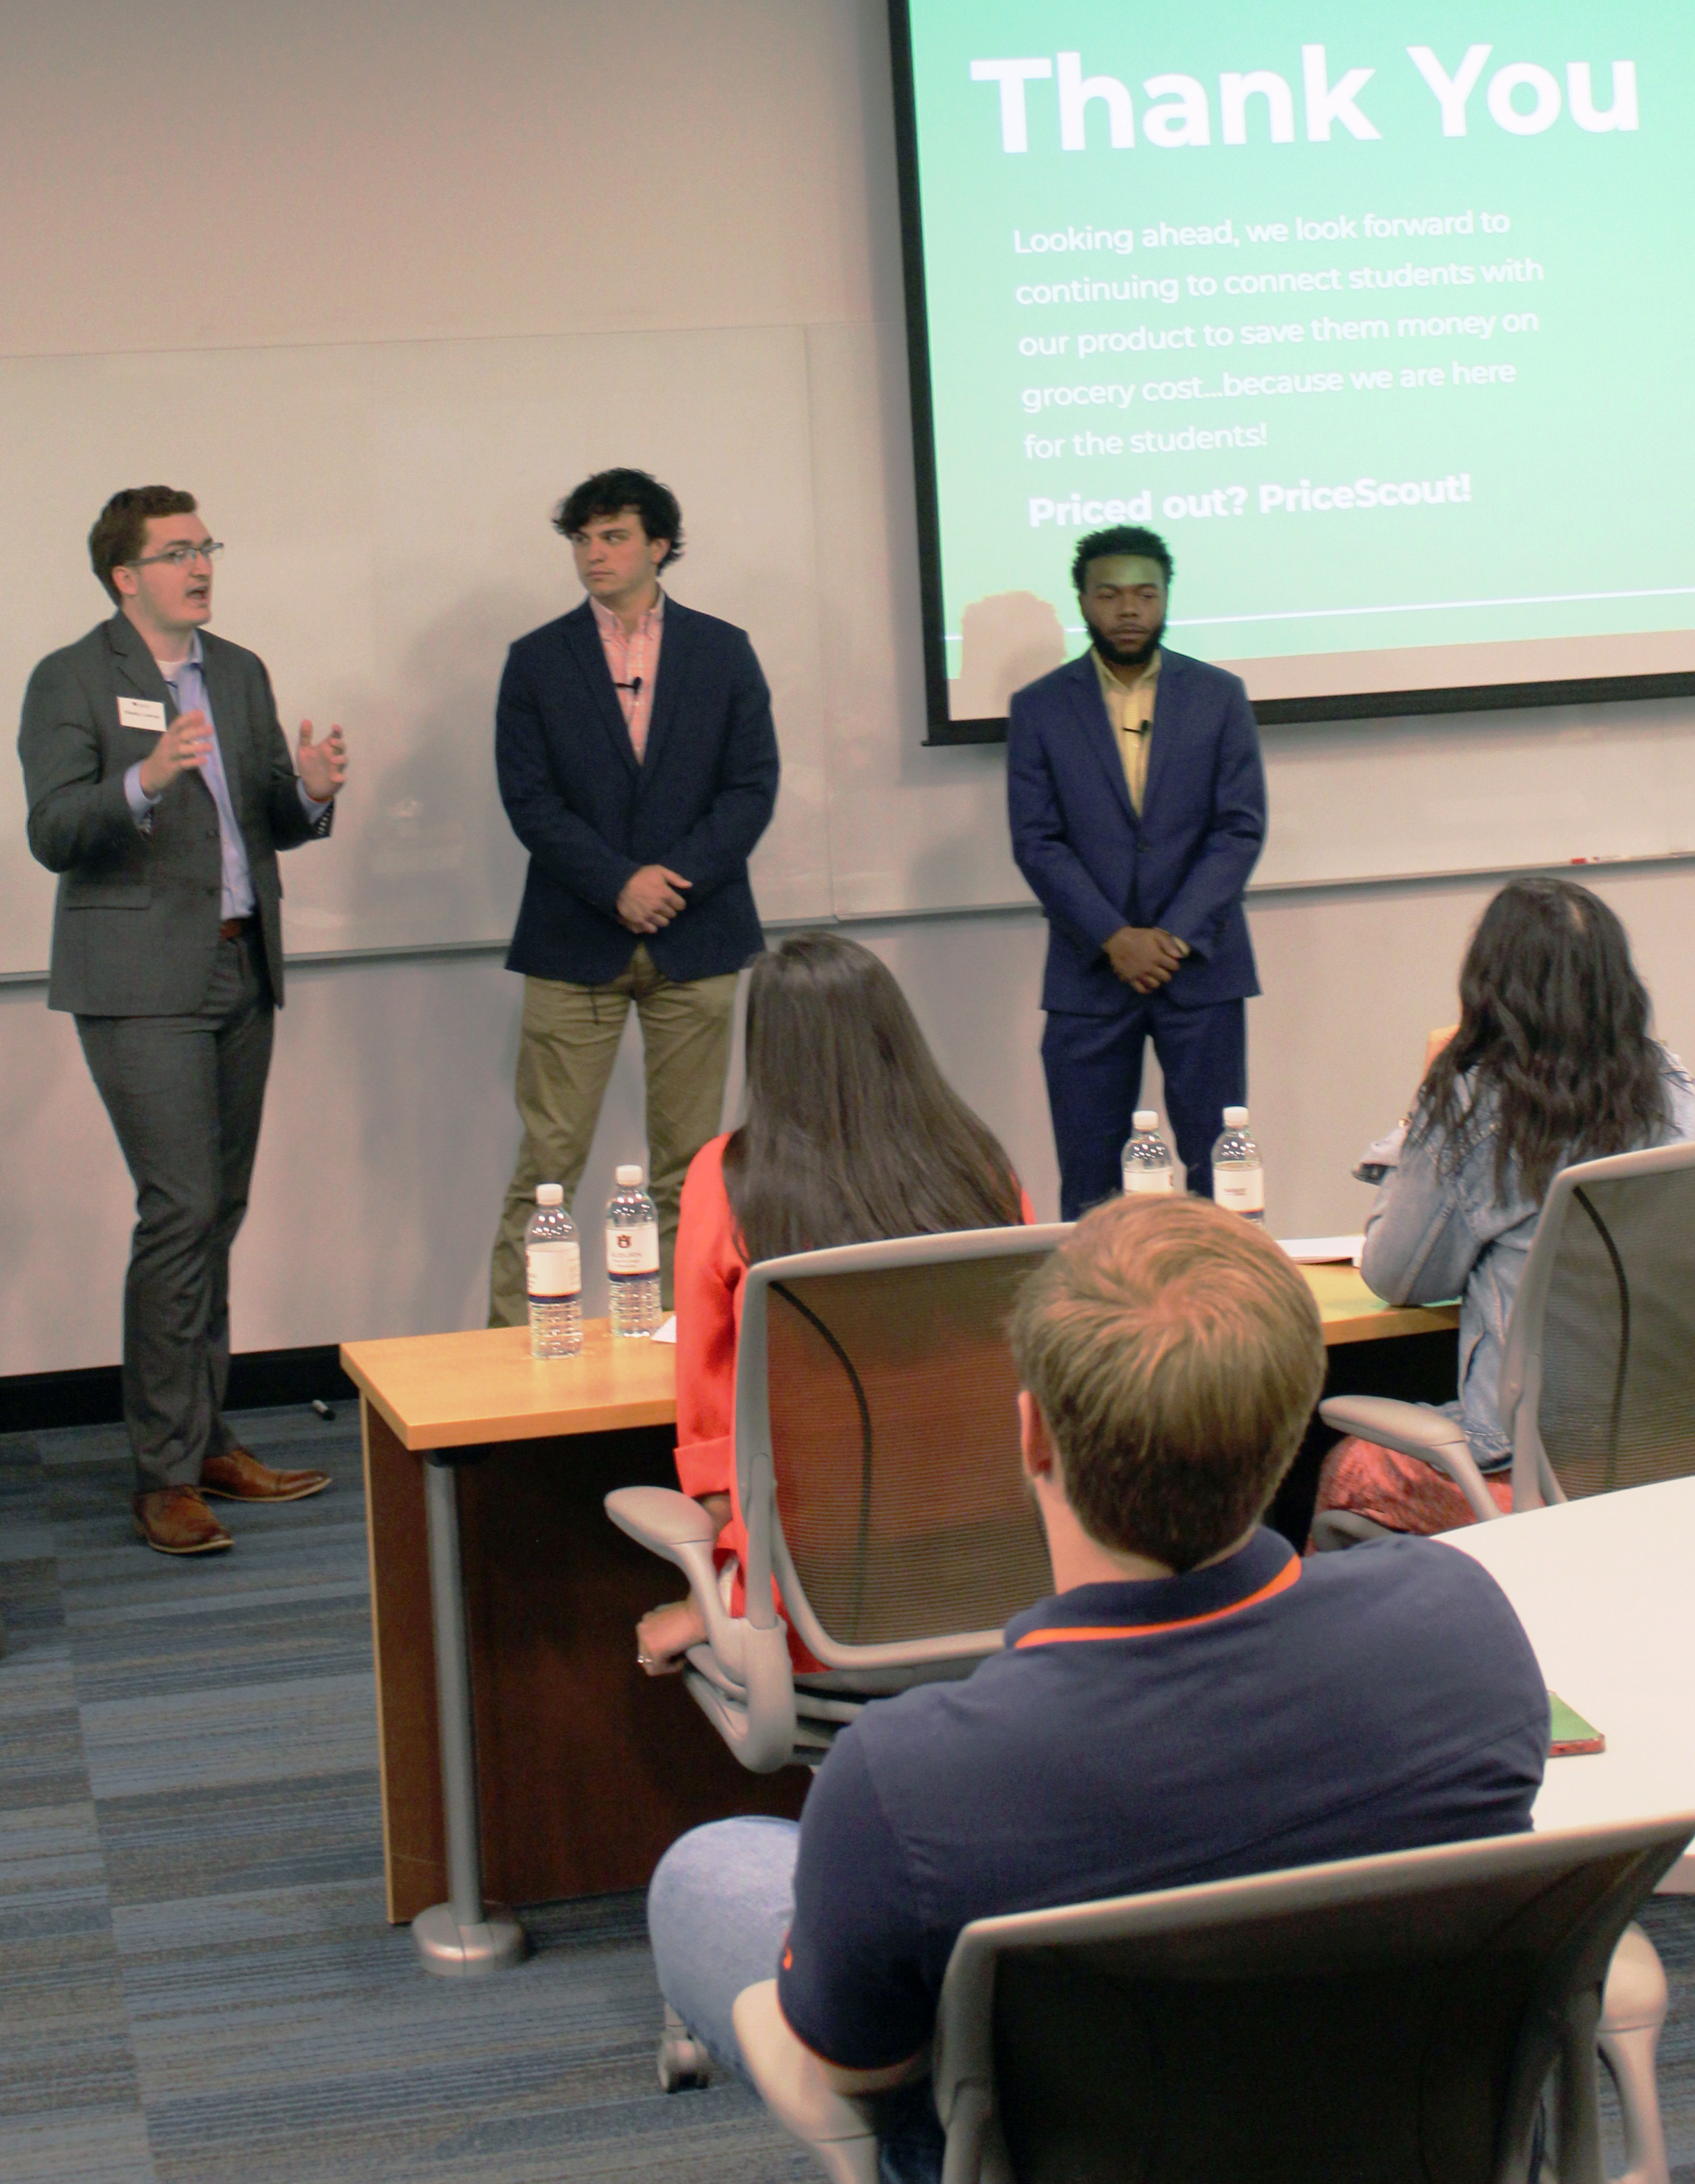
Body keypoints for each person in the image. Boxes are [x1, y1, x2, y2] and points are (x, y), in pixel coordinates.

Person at [646, 1194, 1550, 2178]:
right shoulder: (1463, 1630)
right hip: (1396, 2142)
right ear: (1289, 1428)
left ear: (1033, 1437)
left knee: (713, 1873)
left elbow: (856, 2072)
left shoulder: (903, 1782)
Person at [19, 487, 348, 1556]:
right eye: (176, 551)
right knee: (180, 1209)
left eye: (206, 546)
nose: (200, 565)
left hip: (238, 969)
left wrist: (307, 792)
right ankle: (163, 1473)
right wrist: (145, 779)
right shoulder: (73, 678)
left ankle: (206, 1440)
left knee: (217, 1213)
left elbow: (266, 817)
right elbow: (55, 829)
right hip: (138, 983)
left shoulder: (238, 670)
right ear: (125, 576)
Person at [634, 930, 1031, 1673]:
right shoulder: (979, 1166)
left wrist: (713, 1587)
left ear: (767, 1051)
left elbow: (710, 1411)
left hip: (813, 1603)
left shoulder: (729, 1178)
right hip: (1003, 1582)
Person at [1320, 876, 1695, 1536]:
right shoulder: (1677, 1088)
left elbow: (1396, 1277)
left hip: (1541, 1472)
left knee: (1348, 1467)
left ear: (1489, 990)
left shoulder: (1478, 1109)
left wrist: (1427, 1103)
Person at [487, 467, 779, 1323]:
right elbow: (528, 798)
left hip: (697, 936)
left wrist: (669, 883)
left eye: (612, 536)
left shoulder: (722, 650)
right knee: (548, 1162)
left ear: (659, 545)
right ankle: (507, 1362)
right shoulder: (538, 659)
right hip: (574, 936)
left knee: (687, 1168)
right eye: (581, 539)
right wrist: (618, 883)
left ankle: (678, 1349)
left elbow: (750, 788)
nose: (592, 554)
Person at [1006, 526, 1266, 1218]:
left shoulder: (1217, 695)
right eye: (1111, 594)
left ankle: (1229, 1303)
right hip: (1088, 973)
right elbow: (1036, 842)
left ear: (1165, 599)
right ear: (1084, 602)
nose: (1129, 610)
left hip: (1201, 969)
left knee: (1220, 1165)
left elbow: (1238, 829)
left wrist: (1171, 936)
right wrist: (1114, 937)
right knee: (1089, 1173)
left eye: (1145, 594)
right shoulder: (1038, 707)